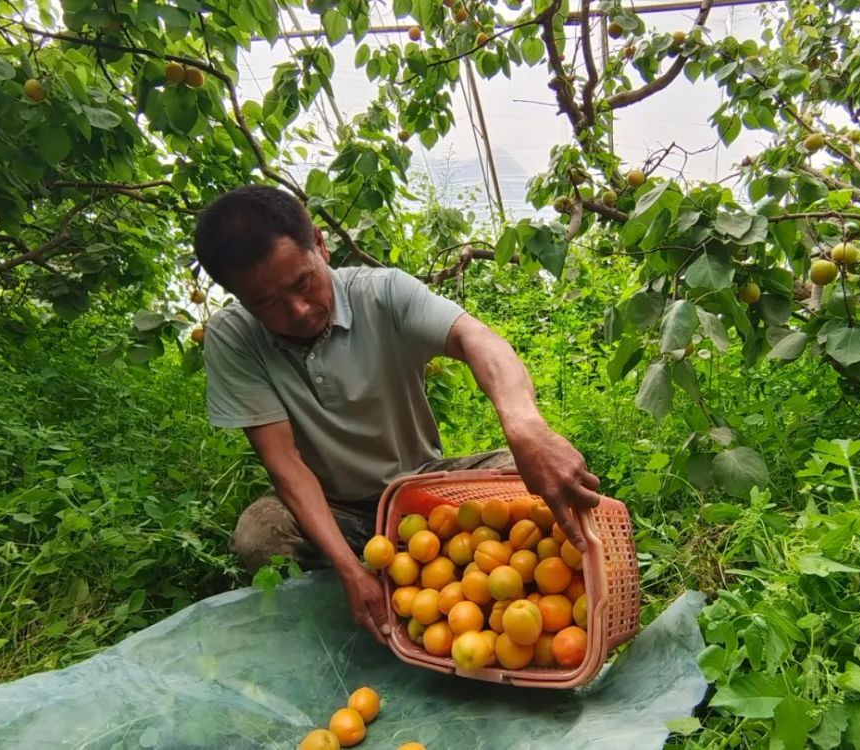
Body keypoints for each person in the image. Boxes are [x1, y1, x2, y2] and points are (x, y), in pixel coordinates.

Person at [193, 185, 601, 643]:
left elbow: (479, 341)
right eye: (265, 304)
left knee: (548, 480)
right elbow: (285, 464)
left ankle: (412, 583)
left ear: (320, 244)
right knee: (258, 537)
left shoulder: (382, 293)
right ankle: (366, 602)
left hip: (422, 490)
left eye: (302, 282)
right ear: (239, 298)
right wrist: (349, 569)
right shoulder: (233, 338)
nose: (298, 310)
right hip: (331, 506)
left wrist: (526, 427)